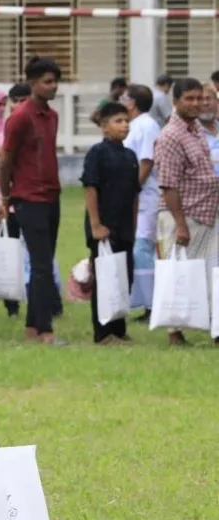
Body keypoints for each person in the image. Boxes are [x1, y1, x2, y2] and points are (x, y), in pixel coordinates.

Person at [0, 56, 64, 344]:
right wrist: (5, 196)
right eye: (47, 82)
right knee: (41, 266)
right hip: (28, 198)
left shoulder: (52, 116)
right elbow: (6, 159)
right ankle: (45, 330)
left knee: (44, 264)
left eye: (55, 81)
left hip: (52, 195)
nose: (53, 87)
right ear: (32, 83)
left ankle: (32, 327)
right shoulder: (20, 117)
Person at [154, 76, 219, 345]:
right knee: (178, 272)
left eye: (199, 98)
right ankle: (174, 331)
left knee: (210, 271)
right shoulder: (170, 136)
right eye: (189, 99)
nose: (196, 103)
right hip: (182, 213)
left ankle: (214, 327)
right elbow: (168, 184)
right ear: (175, 101)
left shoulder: (196, 129)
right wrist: (180, 224)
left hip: (206, 211)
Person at [81, 101, 138, 345]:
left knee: (124, 277)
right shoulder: (97, 153)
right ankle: (103, 332)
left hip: (125, 227)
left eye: (126, 121)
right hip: (104, 226)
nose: (124, 125)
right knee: (105, 277)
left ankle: (119, 328)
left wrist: (134, 225)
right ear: (104, 127)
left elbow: (134, 193)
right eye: (118, 121)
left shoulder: (130, 156)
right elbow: (90, 188)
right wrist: (95, 224)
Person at [122, 83, 161, 320]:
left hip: (145, 196)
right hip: (134, 197)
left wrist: (133, 189)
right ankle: (142, 301)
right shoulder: (132, 125)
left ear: (132, 103)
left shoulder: (147, 125)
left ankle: (152, 305)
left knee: (143, 249)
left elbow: (147, 161)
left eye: (125, 98)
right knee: (137, 248)